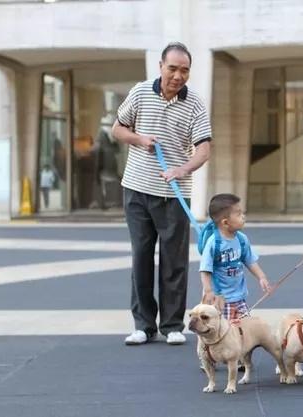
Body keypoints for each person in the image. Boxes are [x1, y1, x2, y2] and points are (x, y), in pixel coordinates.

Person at [112, 42, 212, 346]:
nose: (178, 76)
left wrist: (182, 170)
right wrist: (140, 139)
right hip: (137, 190)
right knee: (141, 257)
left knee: (174, 261)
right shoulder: (141, 92)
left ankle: (171, 325)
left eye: (184, 70)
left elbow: (204, 149)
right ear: (160, 66)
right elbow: (117, 129)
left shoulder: (194, 103)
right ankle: (143, 325)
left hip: (174, 194)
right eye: (173, 68)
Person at [199, 193, 271, 320]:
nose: (243, 217)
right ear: (225, 222)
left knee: (243, 328)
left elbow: (250, 260)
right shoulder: (214, 243)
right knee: (221, 332)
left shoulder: (241, 239)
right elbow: (205, 269)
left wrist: (261, 277)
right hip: (218, 298)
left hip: (238, 296)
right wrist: (208, 291)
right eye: (238, 214)